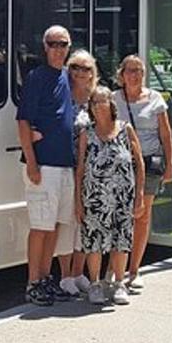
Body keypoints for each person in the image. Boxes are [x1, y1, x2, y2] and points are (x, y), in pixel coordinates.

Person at [16, 26, 76, 306]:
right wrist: (31, 161)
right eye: (53, 44)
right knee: (40, 226)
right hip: (43, 165)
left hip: (64, 164)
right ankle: (32, 283)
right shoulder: (36, 78)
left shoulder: (67, 76)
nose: (58, 49)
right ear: (44, 46)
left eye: (63, 44)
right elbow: (23, 121)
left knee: (54, 226)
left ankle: (45, 279)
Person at [74, 86, 145, 306]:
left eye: (101, 101)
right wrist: (78, 200)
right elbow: (80, 169)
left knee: (121, 239)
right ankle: (95, 284)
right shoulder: (88, 134)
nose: (97, 106)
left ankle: (119, 284)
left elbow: (139, 163)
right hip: (95, 197)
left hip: (123, 196)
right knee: (94, 241)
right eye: (93, 103)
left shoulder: (125, 130)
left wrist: (140, 195)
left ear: (111, 104)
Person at [113, 55, 172, 291]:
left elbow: (166, 134)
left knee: (142, 215)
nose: (135, 75)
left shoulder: (155, 99)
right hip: (121, 164)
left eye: (139, 70)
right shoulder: (113, 99)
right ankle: (115, 269)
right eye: (130, 70)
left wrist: (170, 164)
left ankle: (135, 270)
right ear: (122, 74)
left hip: (148, 164)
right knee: (121, 216)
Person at [56, 50, 99, 299]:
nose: (80, 73)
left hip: (92, 170)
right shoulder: (61, 96)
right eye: (75, 67)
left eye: (85, 68)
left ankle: (79, 272)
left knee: (85, 222)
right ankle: (65, 276)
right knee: (67, 221)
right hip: (67, 165)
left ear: (93, 73)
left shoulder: (96, 98)